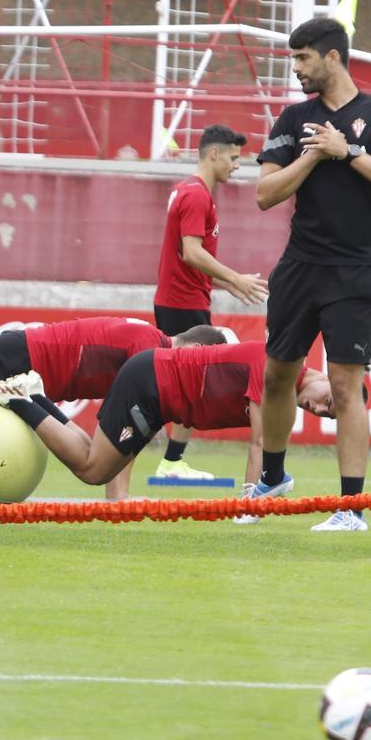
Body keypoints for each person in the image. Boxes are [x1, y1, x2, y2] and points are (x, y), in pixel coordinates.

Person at [251, 16, 371, 532]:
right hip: (300, 265)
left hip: (353, 269)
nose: (296, 68)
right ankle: (273, 479)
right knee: (277, 376)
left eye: (303, 58)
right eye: (293, 58)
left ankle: (350, 508)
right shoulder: (292, 118)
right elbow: (265, 193)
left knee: (346, 387)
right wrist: (313, 155)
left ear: (332, 57)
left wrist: (348, 152)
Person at [0, 338, 333, 492]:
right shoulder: (274, 368)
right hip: (150, 382)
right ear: (330, 377)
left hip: (157, 393)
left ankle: (33, 395)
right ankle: (18, 399)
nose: (317, 409)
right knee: (93, 471)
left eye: (326, 416)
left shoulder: (284, 388)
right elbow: (259, 443)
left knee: (93, 458)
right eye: (327, 402)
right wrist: (249, 507)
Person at [0, 316, 224, 498]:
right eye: (202, 365)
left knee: (86, 449)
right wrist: (118, 496)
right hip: (21, 356)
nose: (197, 372)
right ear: (196, 350)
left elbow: (124, 429)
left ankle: (27, 397)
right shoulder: (150, 350)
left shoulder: (150, 341)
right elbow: (127, 427)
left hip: (28, 359)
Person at [152, 122, 269, 475]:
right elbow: (190, 252)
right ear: (214, 154)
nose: (237, 165)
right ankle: (167, 460)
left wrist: (225, 283)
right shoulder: (197, 195)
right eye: (233, 158)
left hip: (183, 299)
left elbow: (187, 257)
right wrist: (234, 276)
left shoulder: (188, 190)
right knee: (186, 387)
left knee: (188, 386)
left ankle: (171, 461)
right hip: (183, 302)